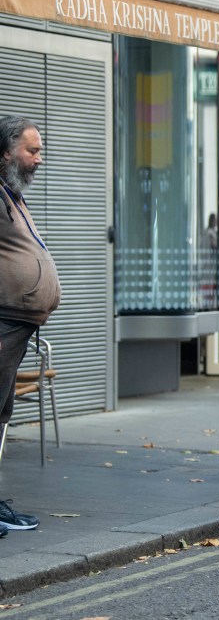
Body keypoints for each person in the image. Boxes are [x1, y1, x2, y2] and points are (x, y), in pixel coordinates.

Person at [0, 116, 60, 535]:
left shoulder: (13, 194)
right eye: (31, 151)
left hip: (18, 324)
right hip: (4, 320)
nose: (39, 159)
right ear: (6, 152)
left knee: (2, 412)